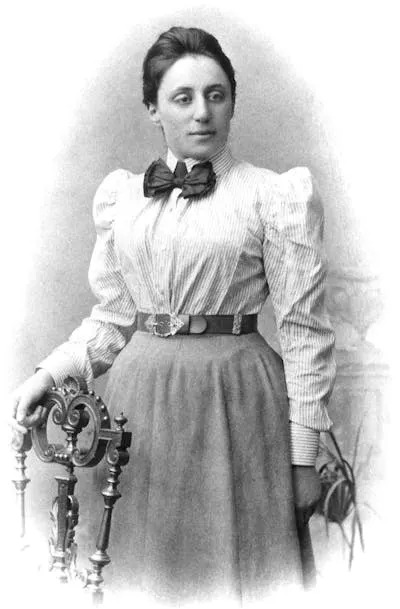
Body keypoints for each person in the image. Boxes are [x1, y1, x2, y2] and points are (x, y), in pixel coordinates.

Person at [10, 26, 336, 605]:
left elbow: (303, 332)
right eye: (182, 98)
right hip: (141, 404)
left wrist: (302, 460)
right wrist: (46, 375)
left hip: (237, 402)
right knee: (138, 567)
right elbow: (111, 321)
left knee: (240, 569)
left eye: (216, 95)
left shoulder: (271, 196)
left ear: (231, 101)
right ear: (153, 109)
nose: (202, 112)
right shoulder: (125, 200)